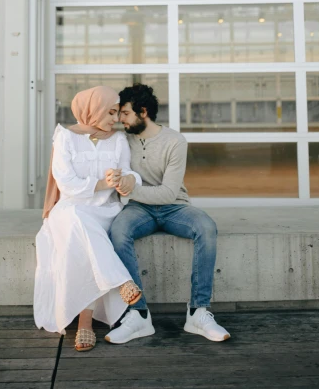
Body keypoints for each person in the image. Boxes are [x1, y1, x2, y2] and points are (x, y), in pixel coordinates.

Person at [106, 83, 230, 345]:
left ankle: (198, 312)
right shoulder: (122, 140)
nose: (120, 119)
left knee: (206, 227)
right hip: (138, 210)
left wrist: (132, 189)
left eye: (125, 113)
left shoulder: (174, 141)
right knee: (118, 231)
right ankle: (138, 313)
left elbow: (167, 194)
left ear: (143, 112)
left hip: (175, 207)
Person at [34, 85, 143, 351]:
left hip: (106, 210)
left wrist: (124, 180)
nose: (116, 119)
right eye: (111, 112)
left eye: (117, 113)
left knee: (83, 232)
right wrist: (103, 184)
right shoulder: (66, 137)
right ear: (92, 110)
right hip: (69, 207)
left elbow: (130, 174)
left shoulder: (117, 140)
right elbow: (67, 183)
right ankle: (117, 283)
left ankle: (86, 322)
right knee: (77, 222)